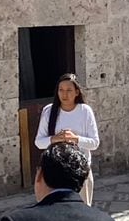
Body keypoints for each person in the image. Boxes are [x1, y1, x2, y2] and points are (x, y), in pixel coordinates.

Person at [33, 73, 100, 205]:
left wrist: (75, 139)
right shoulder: (49, 111)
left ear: (77, 92)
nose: (64, 94)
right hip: (54, 170)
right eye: (61, 90)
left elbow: (95, 143)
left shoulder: (84, 111)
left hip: (79, 170)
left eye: (69, 90)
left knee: (81, 207)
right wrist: (55, 139)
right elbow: (39, 142)